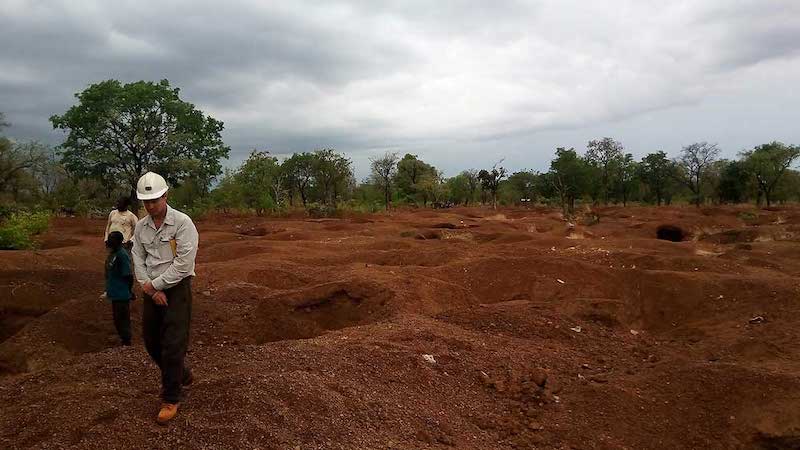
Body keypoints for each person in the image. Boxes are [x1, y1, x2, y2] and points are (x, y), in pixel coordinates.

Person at [131, 172, 199, 425]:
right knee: (151, 343)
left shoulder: (182, 223)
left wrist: (157, 285)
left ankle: (171, 397)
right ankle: (181, 374)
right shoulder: (140, 226)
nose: (150, 205)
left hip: (177, 289)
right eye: (146, 201)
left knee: (173, 345)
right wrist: (148, 288)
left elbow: (183, 264)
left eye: (155, 200)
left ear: (165, 196)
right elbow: (137, 257)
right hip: (151, 289)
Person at [105, 231, 132, 346]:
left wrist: (129, 291)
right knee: (117, 319)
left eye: (112, 239)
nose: (109, 240)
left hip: (122, 293)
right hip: (115, 292)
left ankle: (126, 342)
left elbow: (128, 275)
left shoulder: (122, 255)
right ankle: (123, 340)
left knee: (122, 319)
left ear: (119, 241)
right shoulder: (114, 253)